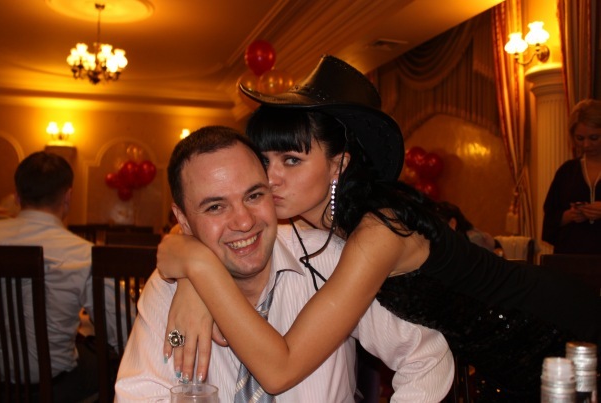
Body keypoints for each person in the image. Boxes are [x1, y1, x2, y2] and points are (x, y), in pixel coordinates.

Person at [158, 56, 601, 401]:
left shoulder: (379, 232)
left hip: (560, 331)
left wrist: (200, 268)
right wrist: (189, 275)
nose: (270, 178)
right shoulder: (316, 220)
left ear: (339, 164)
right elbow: (205, 229)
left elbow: (280, 369)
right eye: (264, 160)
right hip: (496, 363)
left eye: (292, 160)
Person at [115, 126, 453, 402]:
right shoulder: (170, 286)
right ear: (183, 220)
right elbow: (140, 395)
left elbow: (426, 357)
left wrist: (199, 266)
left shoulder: (331, 261)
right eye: (216, 207)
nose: (244, 222)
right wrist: (190, 288)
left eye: (254, 195)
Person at [0, 151, 111, 401]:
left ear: (17, 197)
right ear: (68, 197)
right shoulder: (83, 253)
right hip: (54, 389)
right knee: (109, 364)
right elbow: (118, 329)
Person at [542, 98, 601, 254]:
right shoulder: (567, 171)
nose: (586, 145)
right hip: (570, 257)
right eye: (580, 138)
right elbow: (549, 220)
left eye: (594, 138)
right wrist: (568, 216)